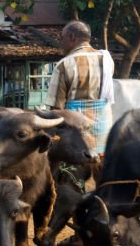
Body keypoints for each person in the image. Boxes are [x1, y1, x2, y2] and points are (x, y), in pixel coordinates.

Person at [44, 20, 114, 154]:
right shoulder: (106, 60)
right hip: (103, 129)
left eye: (62, 38)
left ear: (72, 37)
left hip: (76, 132)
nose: (61, 42)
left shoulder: (64, 65)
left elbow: (56, 109)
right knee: (100, 162)